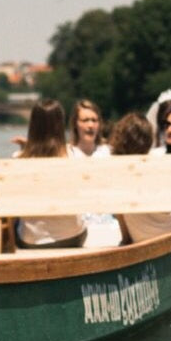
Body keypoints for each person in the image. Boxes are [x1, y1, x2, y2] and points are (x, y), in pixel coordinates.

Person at [7, 98, 88, 249]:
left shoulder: (17, 160)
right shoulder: (75, 156)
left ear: (33, 125)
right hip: (72, 237)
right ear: (60, 124)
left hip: (31, 241)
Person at [107, 112, 171, 243]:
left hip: (140, 237)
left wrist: (126, 242)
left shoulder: (116, 172)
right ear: (148, 140)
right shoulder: (160, 165)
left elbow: (125, 231)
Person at [69, 99, 121, 247]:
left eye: (94, 120)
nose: (90, 125)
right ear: (75, 124)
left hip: (108, 220)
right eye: (85, 120)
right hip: (78, 222)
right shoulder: (69, 154)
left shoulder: (109, 152)